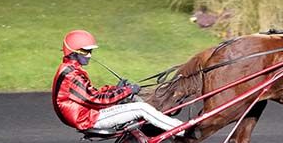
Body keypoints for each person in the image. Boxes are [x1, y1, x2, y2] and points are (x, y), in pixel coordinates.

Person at [52, 30, 184, 133]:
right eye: (85, 52)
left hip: (87, 114)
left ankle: (159, 123)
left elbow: (91, 94)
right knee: (141, 108)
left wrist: (116, 89)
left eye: (90, 51)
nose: (90, 55)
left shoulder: (70, 69)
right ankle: (181, 129)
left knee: (134, 101)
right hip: (88, 118)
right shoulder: (71, 75)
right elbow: (96, 99)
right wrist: (127, 90)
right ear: (74, 52)